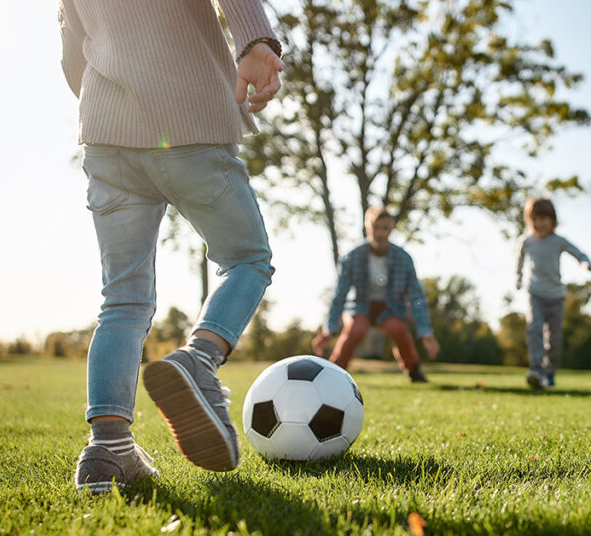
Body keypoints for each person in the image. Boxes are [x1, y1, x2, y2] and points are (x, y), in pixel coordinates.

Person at [59, 0, 285, 493]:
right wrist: (256, 40)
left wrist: (116, 103)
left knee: (122, 300)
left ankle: (107, 450)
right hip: (187, 117)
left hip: (106, 135)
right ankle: (200, 357)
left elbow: (73, 51)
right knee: (247, 259)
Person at [313, 207, 440, 381]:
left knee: (398, 328)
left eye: (385, 228)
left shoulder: (403, 259)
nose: (380, 233)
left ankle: (414, 371)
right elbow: (339, 295)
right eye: (375, 228)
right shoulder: (352, 257)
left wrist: (426, 332)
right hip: (359, 307)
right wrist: (329, 329)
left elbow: (416, 297)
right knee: (356, 329)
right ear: (367, 229)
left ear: (392, 229)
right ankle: (334, 373)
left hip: (389, 308)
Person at [515, 198, 591, 389]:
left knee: (553, 339)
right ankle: (536, 370)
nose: (540, 223)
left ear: (553, 220)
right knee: (534, 328)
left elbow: (578, 253)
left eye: (545, 218)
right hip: (534, 293)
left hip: (556, 296)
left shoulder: (558, 241)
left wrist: (586, 264)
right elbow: (519, 261)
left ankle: (549, 372)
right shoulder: (526, 241)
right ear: (530, 220)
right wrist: (518, 277)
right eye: (536, 218)